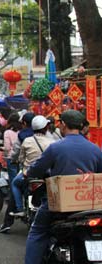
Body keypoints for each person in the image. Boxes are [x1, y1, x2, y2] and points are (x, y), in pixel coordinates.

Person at [25, 110, 102, 264]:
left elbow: (36, 169)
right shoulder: (95, 149)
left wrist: (28, 172)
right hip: (90, 206)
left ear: (64, 125)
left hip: (60, 205)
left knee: (37, 231)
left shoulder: (55, 148)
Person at [10, 115, 54, 217]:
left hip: (28, 174)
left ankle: (20, 208)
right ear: (45, 127)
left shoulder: (27, 140)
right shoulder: (52, 142)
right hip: (47, 174)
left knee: (15, 184)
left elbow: (21, 158)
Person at [3, 113, 21, 183]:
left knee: (13, 180)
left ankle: (14, 193)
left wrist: (5, 155)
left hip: (11, 158)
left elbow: (7, 148)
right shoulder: (21, 131)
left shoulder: (7, 132)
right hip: (21, 158)